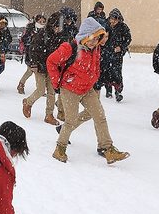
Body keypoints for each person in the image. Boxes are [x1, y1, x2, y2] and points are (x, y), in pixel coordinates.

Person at [50, 17, 129, 164]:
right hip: (69, 89)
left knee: (100, 115)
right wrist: (57, 84)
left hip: (87, 89)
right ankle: (59, 149)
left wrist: (95, 77)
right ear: (84, 36)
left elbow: (96, 64)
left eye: (96, 39)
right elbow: (51, 61)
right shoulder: (69, 48)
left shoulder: (96, 48)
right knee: (70, 120)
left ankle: (108, 149)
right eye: (91, 39)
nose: (93, 42)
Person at [22, 12, 62, 126]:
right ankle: (28, 102)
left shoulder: (59, 36)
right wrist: (34, 64)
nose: (58, 29)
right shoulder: (42, 34)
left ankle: (49, 115)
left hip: (52, 67)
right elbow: (33, 49)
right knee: (40, 90)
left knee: (51, 92)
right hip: (40, 66)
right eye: (57, 26)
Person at [98, 8, 132, 101]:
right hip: (106, 52)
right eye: (111, 19)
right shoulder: (106, 26)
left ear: (119, 19)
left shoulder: (123, 27)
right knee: (106, 71)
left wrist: (121, 47)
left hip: (117, 54)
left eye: (115, 19)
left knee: (117, 72)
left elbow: (128, 39)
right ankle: (108, 90)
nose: (112, 21)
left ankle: (118, 91)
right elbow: (101, 37)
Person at [17, 15, 45, 94]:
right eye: (40, 22)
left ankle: (39, 88)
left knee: (37, 71)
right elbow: (25, 39)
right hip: (31, 53)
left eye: (43, 22)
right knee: (30, 70)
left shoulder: (44, 31)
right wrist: (32, 40)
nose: (42, 23)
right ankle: (21, 84)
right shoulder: (30, 30)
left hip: (40, 54)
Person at [0, 15, 12, 91]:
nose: (2, 25)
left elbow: (9, 39)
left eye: (4, 23)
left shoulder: (6, 31)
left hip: (3, 51)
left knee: (1, 68)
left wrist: (6, 43)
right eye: (1, 23)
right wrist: (1, 50)